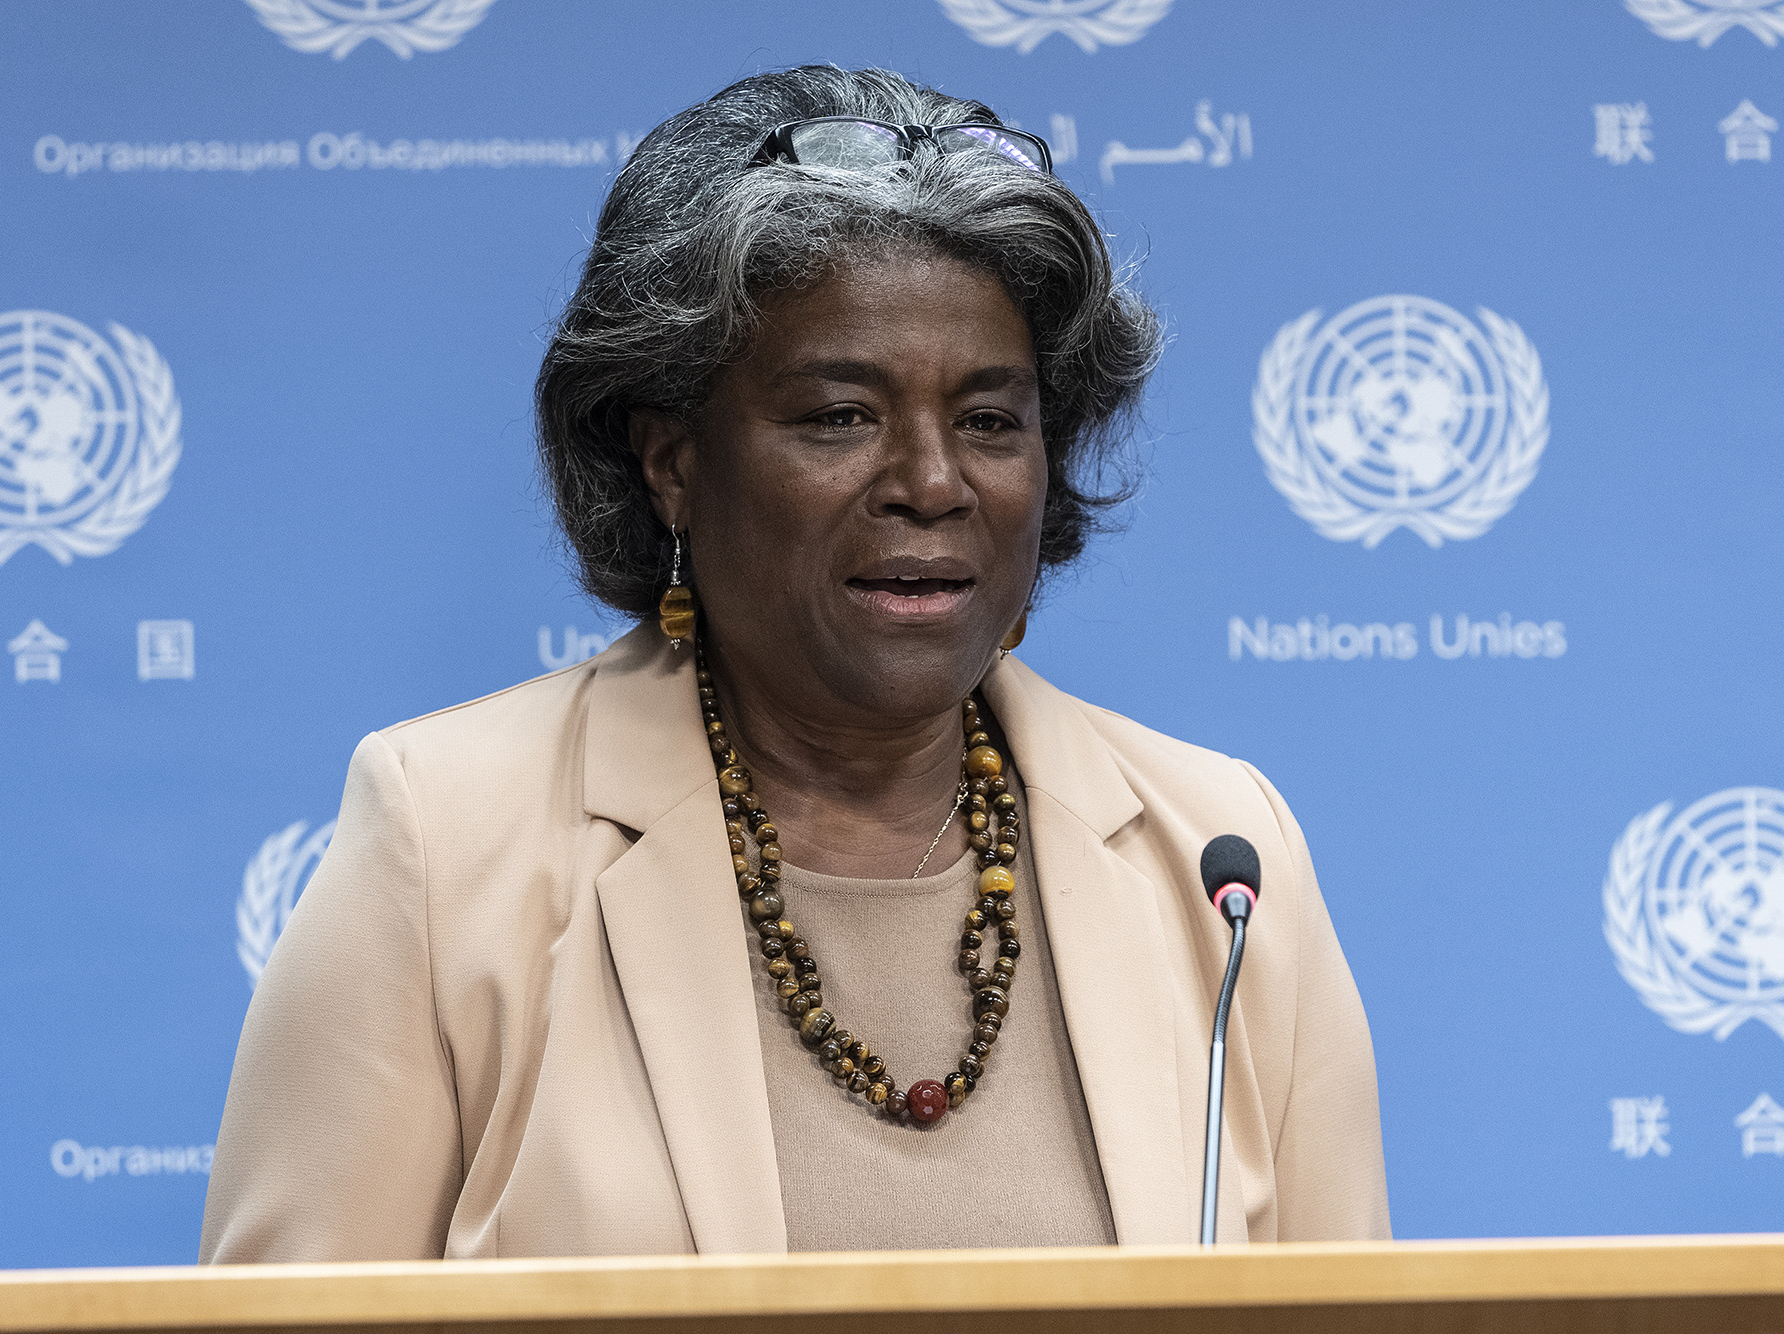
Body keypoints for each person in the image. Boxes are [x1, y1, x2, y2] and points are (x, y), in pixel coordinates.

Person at [201, 65, 1387, 1262]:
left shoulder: (1220, 857)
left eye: (988, 419)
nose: (931, 481)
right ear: (670, 459)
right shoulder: (447, 842)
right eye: (839, 415)